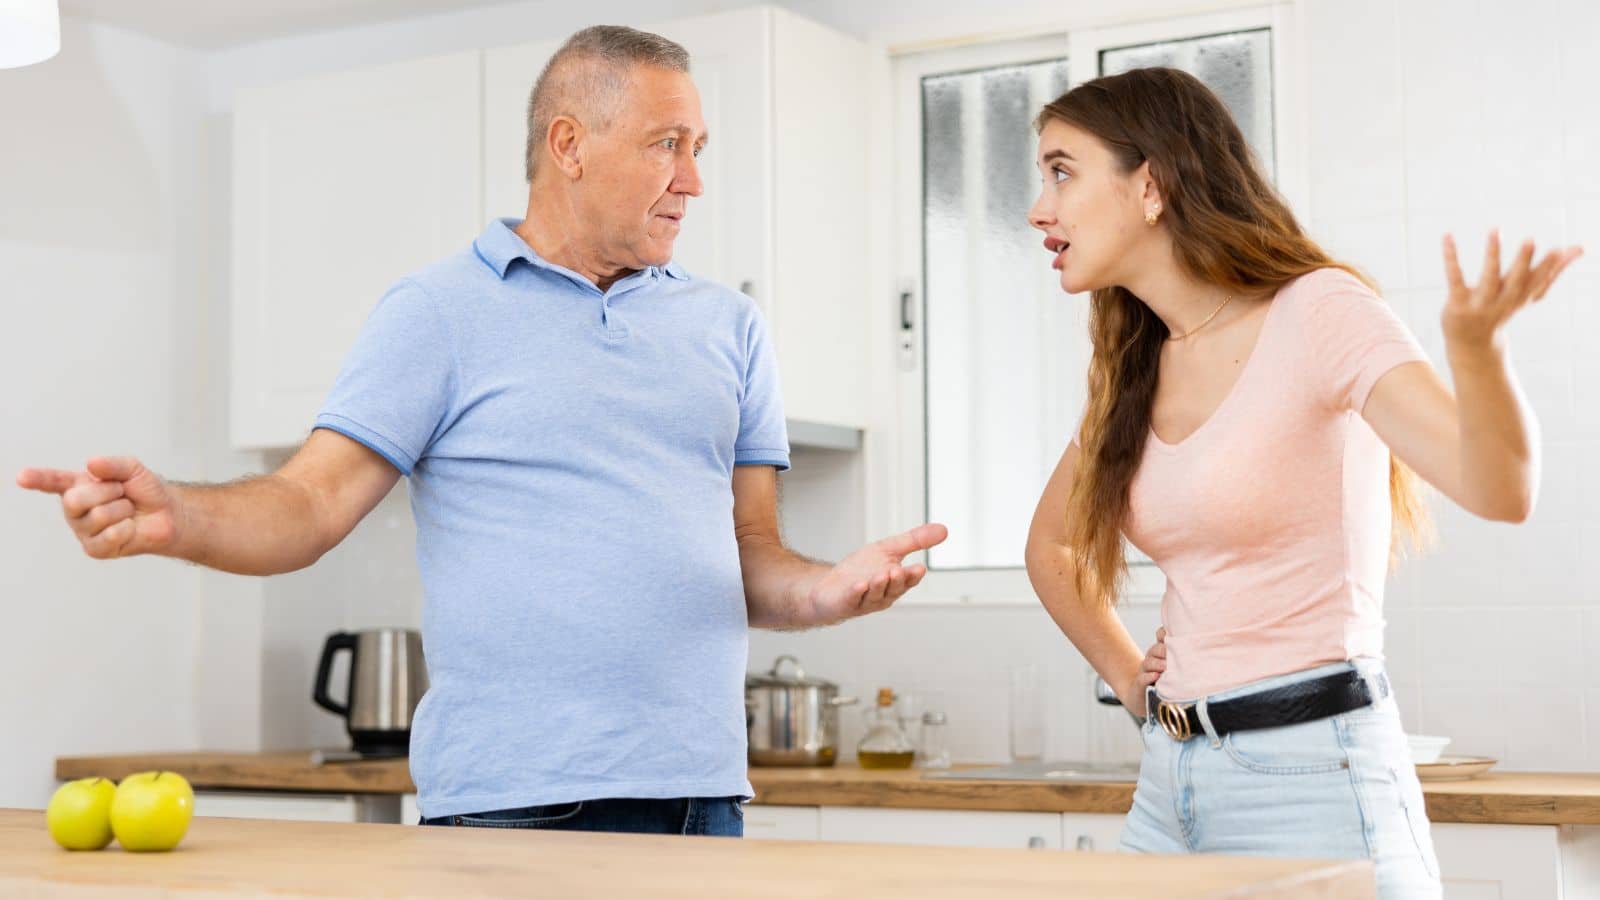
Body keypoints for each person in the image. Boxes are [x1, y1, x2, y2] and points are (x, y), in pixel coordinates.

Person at [16, 25, 946, 838]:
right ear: (570, 143)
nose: (695, 180)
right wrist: (175, 514)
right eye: (669, 144)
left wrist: (825, 591)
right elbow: (309, 501)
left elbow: (748, 551)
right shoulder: (439, 312)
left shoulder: (729, 327)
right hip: (518, 801)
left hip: (703, 796)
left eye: (700, 146)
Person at [1019, 67, 1581, 896]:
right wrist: (1129, 677)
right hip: (1169, 787)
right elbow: (1053, 544)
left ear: (1151, 185)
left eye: (1062, 171)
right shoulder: (1134, 364)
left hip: (1315, 779)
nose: (1040, 207)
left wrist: (1475, 350)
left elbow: (1500, 489)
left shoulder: (1319, 310)